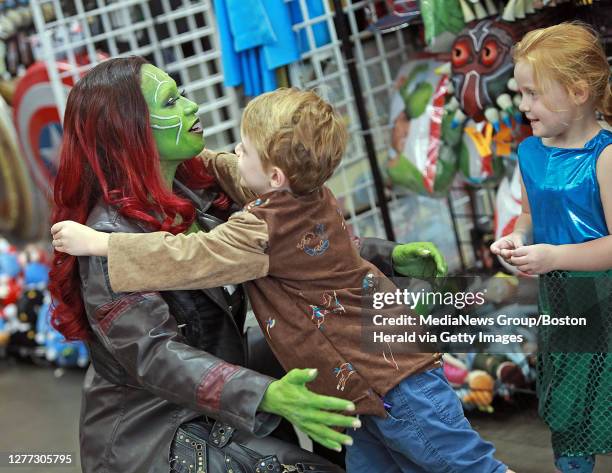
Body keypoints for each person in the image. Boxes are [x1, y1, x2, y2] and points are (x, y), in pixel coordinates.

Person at [53, 87, 514, 473]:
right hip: (159, 429)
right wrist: (264, 394)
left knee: (458, 462)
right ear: (130, 132)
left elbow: (221, 253)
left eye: (245, 148)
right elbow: (155, 355)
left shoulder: (247, 208)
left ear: (273, 173)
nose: (192, 106)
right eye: (172, 101)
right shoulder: (294, 190)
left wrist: (101, 245)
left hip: (375, 373)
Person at [490, 22, 612, 473]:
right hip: (562, 303)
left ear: (578, 92)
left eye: (533, 94)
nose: (523, 106)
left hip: (606, 301)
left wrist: (553, 257)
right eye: (519, 93)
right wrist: (519, 238)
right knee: (568, 403)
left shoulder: (606, 156)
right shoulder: (530, 152)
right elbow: (529, 217)